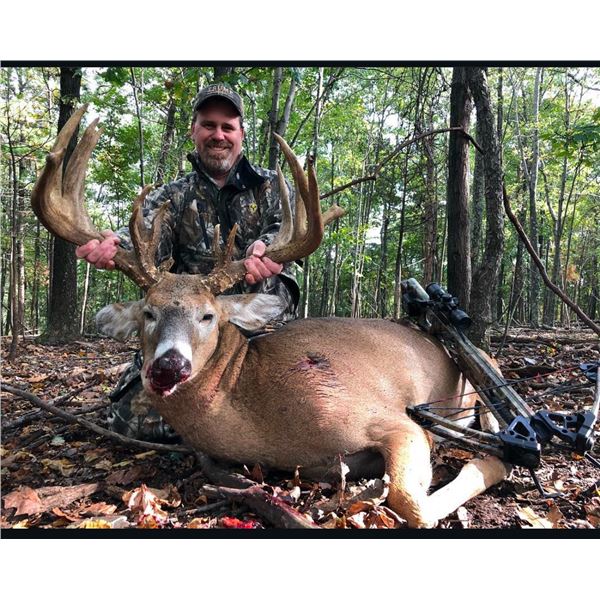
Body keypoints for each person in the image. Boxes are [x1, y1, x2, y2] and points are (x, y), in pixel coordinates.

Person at [76, 83, 299, 441]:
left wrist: (268, 248)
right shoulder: (174, 195)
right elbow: (147, 230)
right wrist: (115, 244)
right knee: (132, 423)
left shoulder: (273, 187)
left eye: (227, 127)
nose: (218, 135)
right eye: (208, 125)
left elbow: (289, 227)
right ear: (194, 131)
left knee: (296, 410)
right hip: (183, 326)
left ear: (241, 134)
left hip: (258, 330)